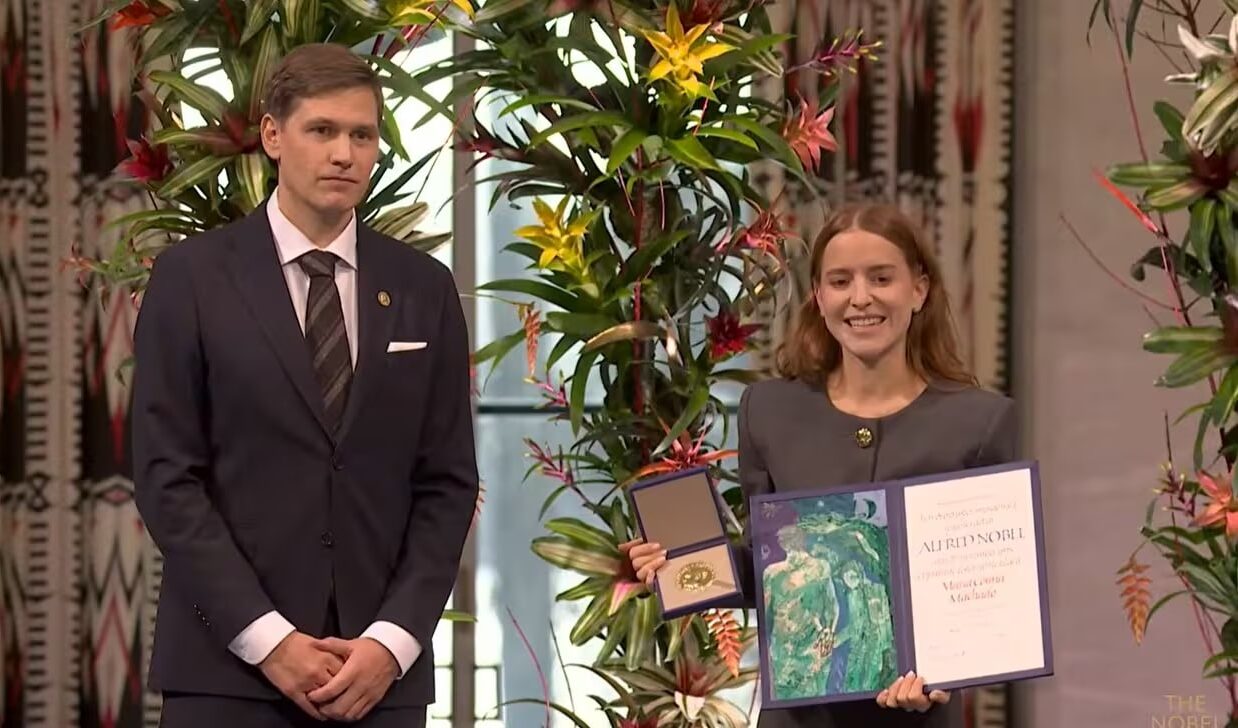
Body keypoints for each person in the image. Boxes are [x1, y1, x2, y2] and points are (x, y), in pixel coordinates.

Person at [130, 43, 478, 728]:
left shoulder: (424, 287)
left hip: (378, 683)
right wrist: (270, 642)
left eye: (362, 135)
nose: (344, 154)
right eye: (322, 130)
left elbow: (447, 483)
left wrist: (392, 643)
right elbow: (168, 479)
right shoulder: (190, 279)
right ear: (272, 135)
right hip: (227, 679)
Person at [621, 202, 1017, 727]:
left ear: (919, 290)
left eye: (882, 278)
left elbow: (990, 594)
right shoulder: (768, 410)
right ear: (819, 296)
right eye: (840, 281)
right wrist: (677, 567)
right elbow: (767, 568)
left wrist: (943, 676)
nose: (861, 297)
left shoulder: (979, 422)